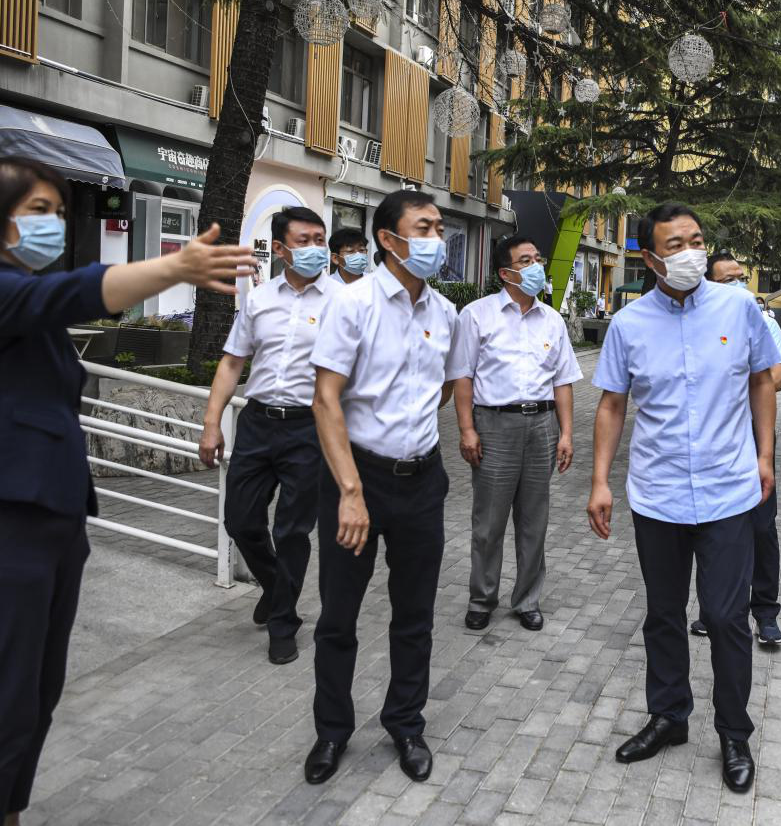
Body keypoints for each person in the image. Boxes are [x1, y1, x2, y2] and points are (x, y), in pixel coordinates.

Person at [0, 156, 252, 826]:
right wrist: (175, 267)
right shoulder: (12, 294)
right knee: (9, 693)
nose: (55, 224)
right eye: (39, 211)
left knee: (38, 690)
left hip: (56, 521)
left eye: (59, 211)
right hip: (13, 526)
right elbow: (76, 292)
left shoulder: (28, 298)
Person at [587, 203, 779, 794]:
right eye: (675, 245)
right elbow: (612, 404)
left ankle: (734, 732)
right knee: (663, 614)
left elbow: (762, 379)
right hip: (658, 494)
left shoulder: (738, 308)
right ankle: (669, 716)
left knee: (725, 617)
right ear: (650, 258)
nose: (692, 252)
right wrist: (599, 481)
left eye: (696, 240)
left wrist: (765, 455)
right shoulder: (629, 324)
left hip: (728, 492)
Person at [304, 190, 457, 786]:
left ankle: (406, 724)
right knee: (339, 617)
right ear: (389, 240)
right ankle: (331, 731)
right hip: (356, 479)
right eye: (424, 228)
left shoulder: (444, 312)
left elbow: (444, 388)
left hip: (422, 481)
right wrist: (350, 491)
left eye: (439, 227)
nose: (436, 239)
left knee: (415, 616)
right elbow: (325, 400)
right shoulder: (352, 304)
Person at [199, 206, 331, 666]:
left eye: (320, 240)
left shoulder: (342, 302)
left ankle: (283, 623)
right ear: (280, 248)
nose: (315, 248)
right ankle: (276, 589)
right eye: (304, 240)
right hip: (257, 422)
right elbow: (233, 362)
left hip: (309, 428)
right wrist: (212, 421)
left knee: (292, 530)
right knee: (240, 520)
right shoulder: (259, 300)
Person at [449, 235, 581, 633]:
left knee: (534, 521)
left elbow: (563, 381)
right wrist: (467, 429)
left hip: (541, 426)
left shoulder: (552, 320)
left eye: (537, 257)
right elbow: (462, 377)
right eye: (527, 260)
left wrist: (566, 433)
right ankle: (481, 599)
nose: (537, 265)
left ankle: (527, 600)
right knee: (489, 522)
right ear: (506, 273)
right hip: (494, 426)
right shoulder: (476, 316)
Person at [688, 252, 781, 645]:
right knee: (711, 525)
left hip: (752, 432)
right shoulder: (694, 325)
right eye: (727, 279)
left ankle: (765, 612)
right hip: (711, 437)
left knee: (761, 526)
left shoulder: (762, 321)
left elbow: (775, 378)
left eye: (741, 277)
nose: (738, 285)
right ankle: (713, 610)